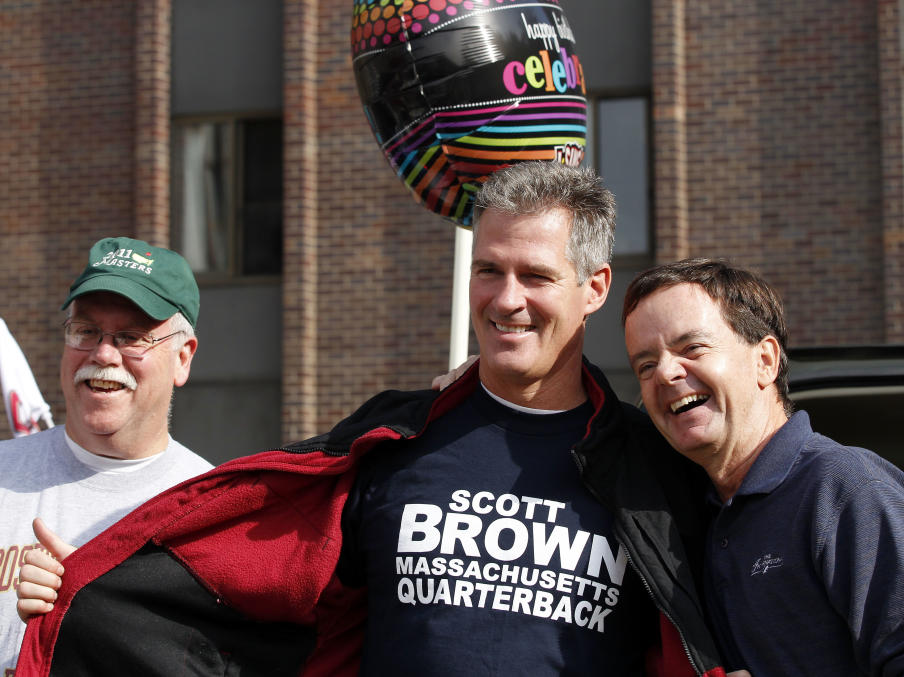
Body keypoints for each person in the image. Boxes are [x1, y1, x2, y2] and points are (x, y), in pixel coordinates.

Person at [15, 164, 741, 676]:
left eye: (536, 275)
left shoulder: (651, 469)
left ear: (593, 287)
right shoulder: (395, 440)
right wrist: (84, 581)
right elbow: (247, 591)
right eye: (488, 269)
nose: (504, 297)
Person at [621, 258, 904, 675]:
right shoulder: (694, 517)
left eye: (692, 348)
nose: (666, 374)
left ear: (765, 360)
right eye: (646, 365)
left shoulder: (846, 488)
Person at [1, 236, 212, 674]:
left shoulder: (211, 511)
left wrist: (94, 610)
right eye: (86, 331)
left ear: (183, 358)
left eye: (132, 337)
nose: (102, 354)